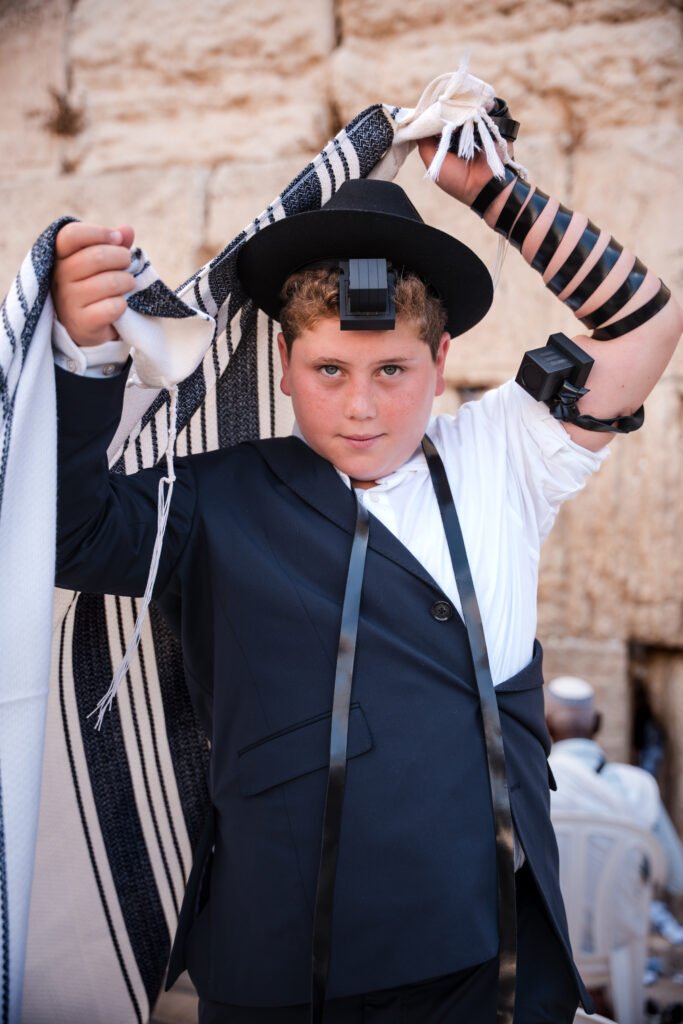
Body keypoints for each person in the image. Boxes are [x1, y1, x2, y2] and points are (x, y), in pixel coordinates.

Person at [49, 113, 682, 1024]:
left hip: (497, 960)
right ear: (282, 359)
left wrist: (494, 195)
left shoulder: (504, 452)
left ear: (442, 359)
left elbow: (645, 325)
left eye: (391, 369)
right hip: (287, 970)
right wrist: (84, 355)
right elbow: (71, 531)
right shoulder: (213, 497)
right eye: (328, 368)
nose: (360, 408)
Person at [547, 675, 683, 940]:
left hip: (550, 942)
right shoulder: (640, 786)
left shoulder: (531, 785)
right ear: (598, 723)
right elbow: (674, 876)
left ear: (544, 725)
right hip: (619, 945)